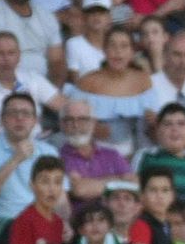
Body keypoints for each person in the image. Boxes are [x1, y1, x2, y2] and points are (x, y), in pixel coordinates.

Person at [0, 90, 59, 228]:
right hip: (2, 221)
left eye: (26, 113)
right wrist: (15, 159)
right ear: (2, 119)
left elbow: (61, 199)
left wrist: (65, 222)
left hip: (41, 220)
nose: (19, 118)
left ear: (35, 121)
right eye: (12, 113)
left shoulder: (49, 151)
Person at [65, 25, 151, 157]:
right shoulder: (87, 82)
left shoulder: (144, 80)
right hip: (93, 152)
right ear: (104, 50)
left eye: (124, 46)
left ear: (132, 52)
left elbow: (151, 121)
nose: (118, 52)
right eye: (112, 46)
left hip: (136, 151)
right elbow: (69, 118)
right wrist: (91, 129)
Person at [0, 29, 62, 138]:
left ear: (19, 55)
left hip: (41, 141)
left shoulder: (31, 78)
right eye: (0, 53)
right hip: (7, 149)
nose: (6, 59)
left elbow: (64, 106)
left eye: (11, 53)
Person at [130, 102, 185, 223]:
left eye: (181, 124)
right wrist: (181, 217)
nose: (174, 129)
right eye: (167, 124)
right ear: (158, 130)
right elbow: (134, 201)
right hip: (158, 225)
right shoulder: (146, 157)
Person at [142, 28, 185, 154]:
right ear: (165, 56)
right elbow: (152, 135)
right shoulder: (147, 86)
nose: (182, 61)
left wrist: (165, 130)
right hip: (155, 161)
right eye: (177, 54)